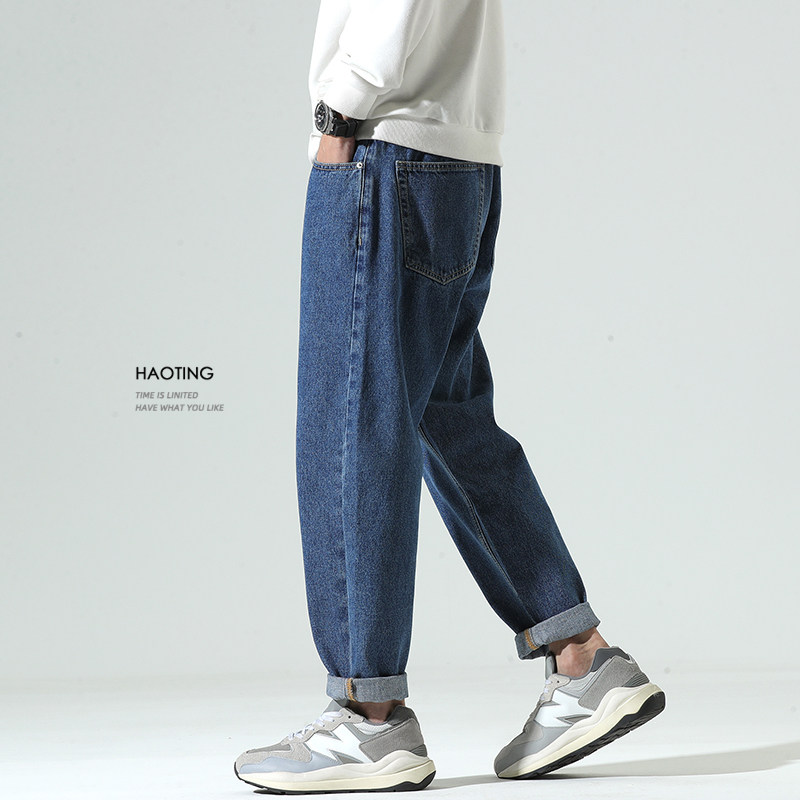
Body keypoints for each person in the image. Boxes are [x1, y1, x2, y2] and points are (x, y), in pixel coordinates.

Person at [234, 0, 665, 793]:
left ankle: (368, 714)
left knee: (351, 422)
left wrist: (340, 114)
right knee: (448, 416)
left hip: (384, 149)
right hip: (454, 158)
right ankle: (582, 656)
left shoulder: (362, 125)